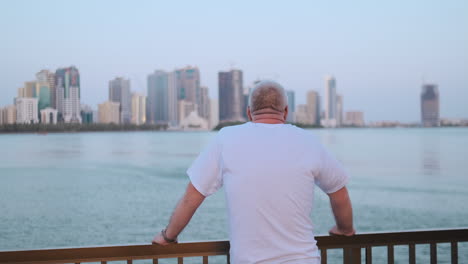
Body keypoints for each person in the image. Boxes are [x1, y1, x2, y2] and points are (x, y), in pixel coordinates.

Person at [152, 80, 355, 263]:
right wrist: (344, 229)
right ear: (285, 111)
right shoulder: (308, 141)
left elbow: (191, 198)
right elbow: (339, 193)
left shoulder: (226, 138)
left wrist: (168, 236)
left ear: (249, 113)